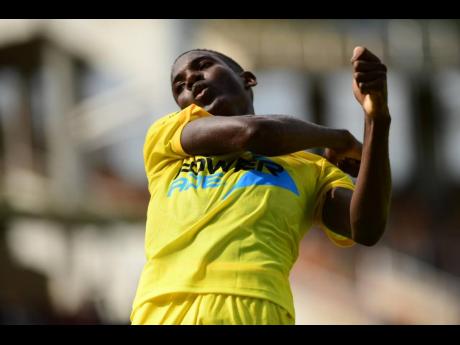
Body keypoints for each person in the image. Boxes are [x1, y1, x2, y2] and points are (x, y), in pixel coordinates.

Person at [130, 46, 391, 325]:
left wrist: (376, 120)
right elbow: (254, 132)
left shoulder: (311, 169)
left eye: (203, 65)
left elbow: (364, 228)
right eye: (179, 86)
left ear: (247, 79)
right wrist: (339, 138)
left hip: (260, 311)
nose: (191, 81)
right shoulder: (167, 142)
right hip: (166, 311)